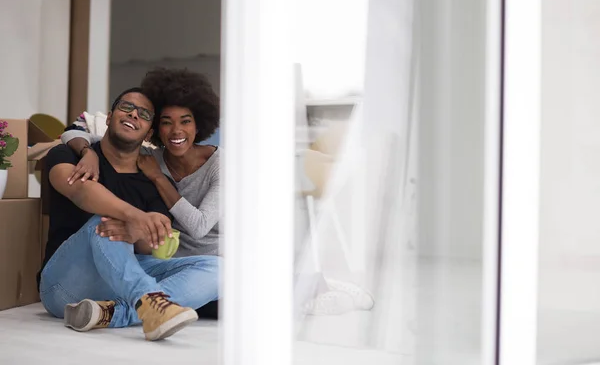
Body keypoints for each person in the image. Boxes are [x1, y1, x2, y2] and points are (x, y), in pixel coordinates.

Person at [61, 68, 373, 317]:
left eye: (186, 122)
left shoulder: (219, 164)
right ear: (156, 127)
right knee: (212, 306)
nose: (176, 132)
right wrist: (87, 151)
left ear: (201, 124)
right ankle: (304, 288)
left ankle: (322, 288)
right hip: (178, 261)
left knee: (244, 305)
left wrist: (159, 180)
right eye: (166, 123)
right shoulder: (149, 156)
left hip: (221, 258)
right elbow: (75, 128)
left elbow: (198, 226)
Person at [39, 87, 221, 340]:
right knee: (105, 222)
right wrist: (134, 218)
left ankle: (116, 313)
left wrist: (139, 234)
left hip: (119, 286)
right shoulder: (68, 154)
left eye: (144, 114)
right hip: (63, 285)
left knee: (221, 269)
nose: (134, 114)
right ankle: (149, 304)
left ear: (149, 132)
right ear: (109, 117)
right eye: (127, 107)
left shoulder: (150, 179)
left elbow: (153, 243)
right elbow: (80, 191)